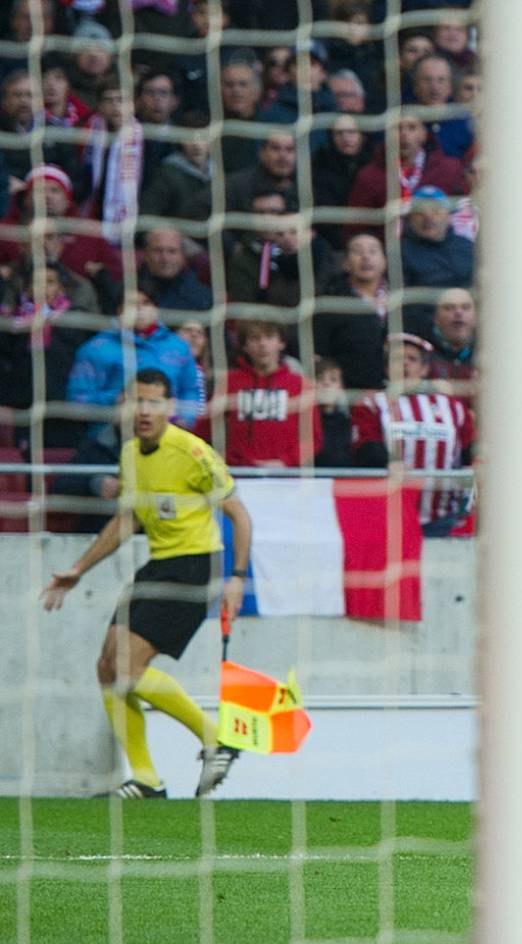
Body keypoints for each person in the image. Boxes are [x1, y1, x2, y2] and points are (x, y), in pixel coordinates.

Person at [39, 369, 250, 799]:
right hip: (157, 566)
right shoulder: (131, 454)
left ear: (169, 407)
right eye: (137, 401)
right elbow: (128, 519)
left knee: (127, 668)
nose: (145, 411)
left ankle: (217, 740)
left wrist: (238, 578)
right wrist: (79, 569)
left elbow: (239, 515)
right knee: (107, 668)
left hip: (195, 567)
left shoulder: (192, 451)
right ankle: (147, 778)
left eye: (154, 402)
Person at [350, 333, 476, 534]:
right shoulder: (371, 403)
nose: (404, 364)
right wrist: (389, 462)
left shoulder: (453, 407)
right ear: (387, 368)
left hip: (443, 516)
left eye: (412, 359)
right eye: (397, 359)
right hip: (390, 514)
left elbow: (470, 450)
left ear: (424, 368)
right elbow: (364, 446)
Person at [64, 288, 204, 429]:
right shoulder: (96, 348)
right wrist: (115, 398)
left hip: (168, 432)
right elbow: (77, 400)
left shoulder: (178, 346)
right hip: (110, 434)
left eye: (146, 303)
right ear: (119, 310)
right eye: (132, 304)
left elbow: (190, 390)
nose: (140, 309)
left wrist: (185, 420)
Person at [217, 320, 318, 468]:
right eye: (255, 338)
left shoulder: (300, 385)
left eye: (269, 337)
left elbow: (313, 437)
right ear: (244, 346)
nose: (262, 344)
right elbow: (208, 428)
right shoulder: (228, 382)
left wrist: (285, 462)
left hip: (286, 476)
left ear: (281, 343)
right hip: (237, 473)